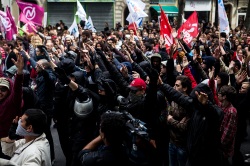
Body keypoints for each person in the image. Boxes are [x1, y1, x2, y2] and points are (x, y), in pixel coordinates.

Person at [159, 79, 224, 166]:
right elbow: (178, 97)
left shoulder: (215, 112)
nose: (193, 101)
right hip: (192, 155)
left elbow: (216, 115)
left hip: (207, 159)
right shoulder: (195, 107)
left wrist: (206, 105)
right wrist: (162, 85)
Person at [0, 54, 24, 159]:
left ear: (9, 91)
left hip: (10, 144)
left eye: (3, 89)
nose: (0, 92)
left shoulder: (12, 102)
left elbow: (17, 91)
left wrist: (19, 73)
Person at [218, 85, 237, 165]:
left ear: (224, 96)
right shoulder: (220, 105)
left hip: (223, 149)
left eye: (219, 93)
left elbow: (228, 133)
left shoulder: (231, 111)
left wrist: (219, 146)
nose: (217, 94)